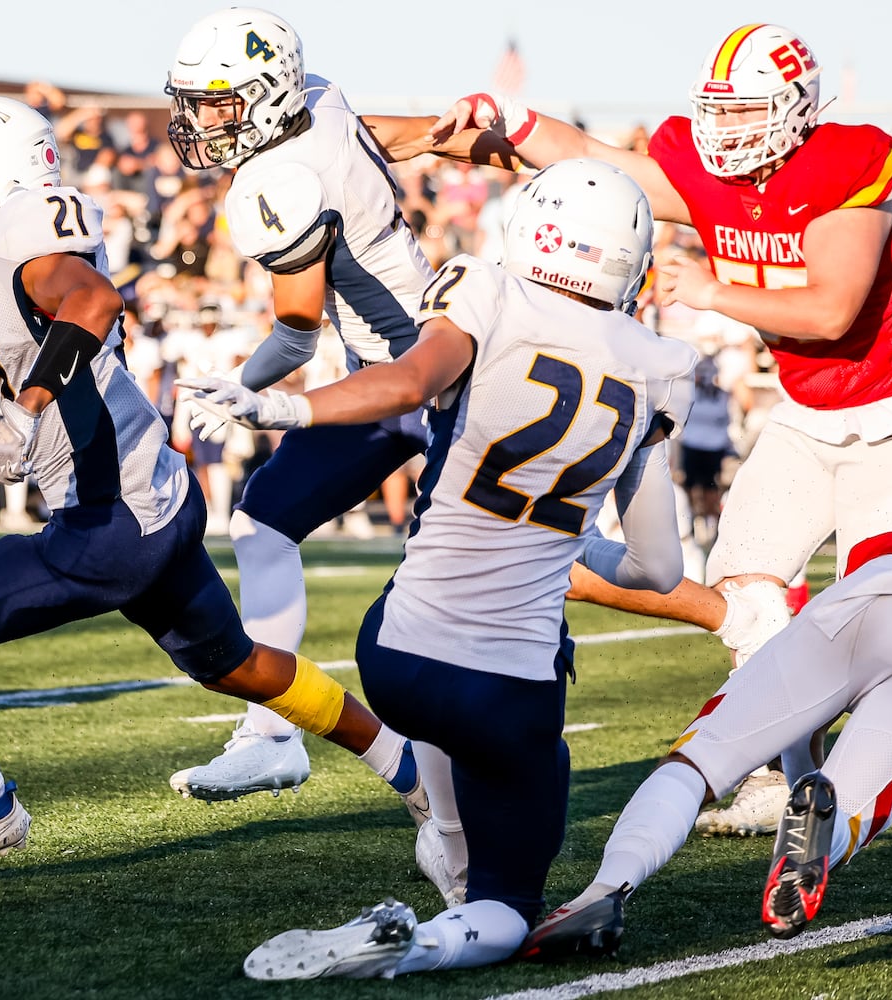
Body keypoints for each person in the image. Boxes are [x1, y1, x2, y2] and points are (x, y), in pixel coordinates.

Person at [368, 22, 892, 835]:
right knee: (749, 591)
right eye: (716, 111)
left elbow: (829, 310)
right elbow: (588, 159)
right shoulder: (710, 172)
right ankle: (780, 777)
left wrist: (709, 290)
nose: (724, 131)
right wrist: (493, 116)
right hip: (808, 415)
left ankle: (861, 779)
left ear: (793, 111)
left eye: (745, 113)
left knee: (875, 621)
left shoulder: (840, 162)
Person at [0, 95, 428, 876]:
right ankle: (412, 774)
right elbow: (15, 433)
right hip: (152, 496)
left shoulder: (25, 229)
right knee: (232, 664)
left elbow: (91, 301)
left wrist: (23, 408)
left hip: (109, 524)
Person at [181, 158, 698, 980]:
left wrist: (287, 407)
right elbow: (656, 566)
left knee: (444, 736)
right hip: (513, 683)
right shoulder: (664, 364)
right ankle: (428, 941)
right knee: (508, 908)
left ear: (531, 230)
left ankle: (445, 851)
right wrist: (567, 540)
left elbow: (409, 379)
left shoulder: (487, 289)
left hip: (400, 653)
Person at [521, 466, 892, 957]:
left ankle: (603, 890)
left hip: (873, 588)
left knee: (700, 759)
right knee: (855, 806)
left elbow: (815, 710)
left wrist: (803, 767)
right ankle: (819, 837)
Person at [162, 6, 441, 804]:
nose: (200, 122)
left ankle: (730, 613)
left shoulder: (277, 179)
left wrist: (240, 388)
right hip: (409, 362)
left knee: (503, 573)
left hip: (422, 379)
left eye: (218, 104)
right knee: (262, 521)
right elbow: (398, 132)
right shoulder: (321, 100)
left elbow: (294, 333)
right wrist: (473, 131)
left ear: (268, 93)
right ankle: (271, 733)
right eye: (194, 102)